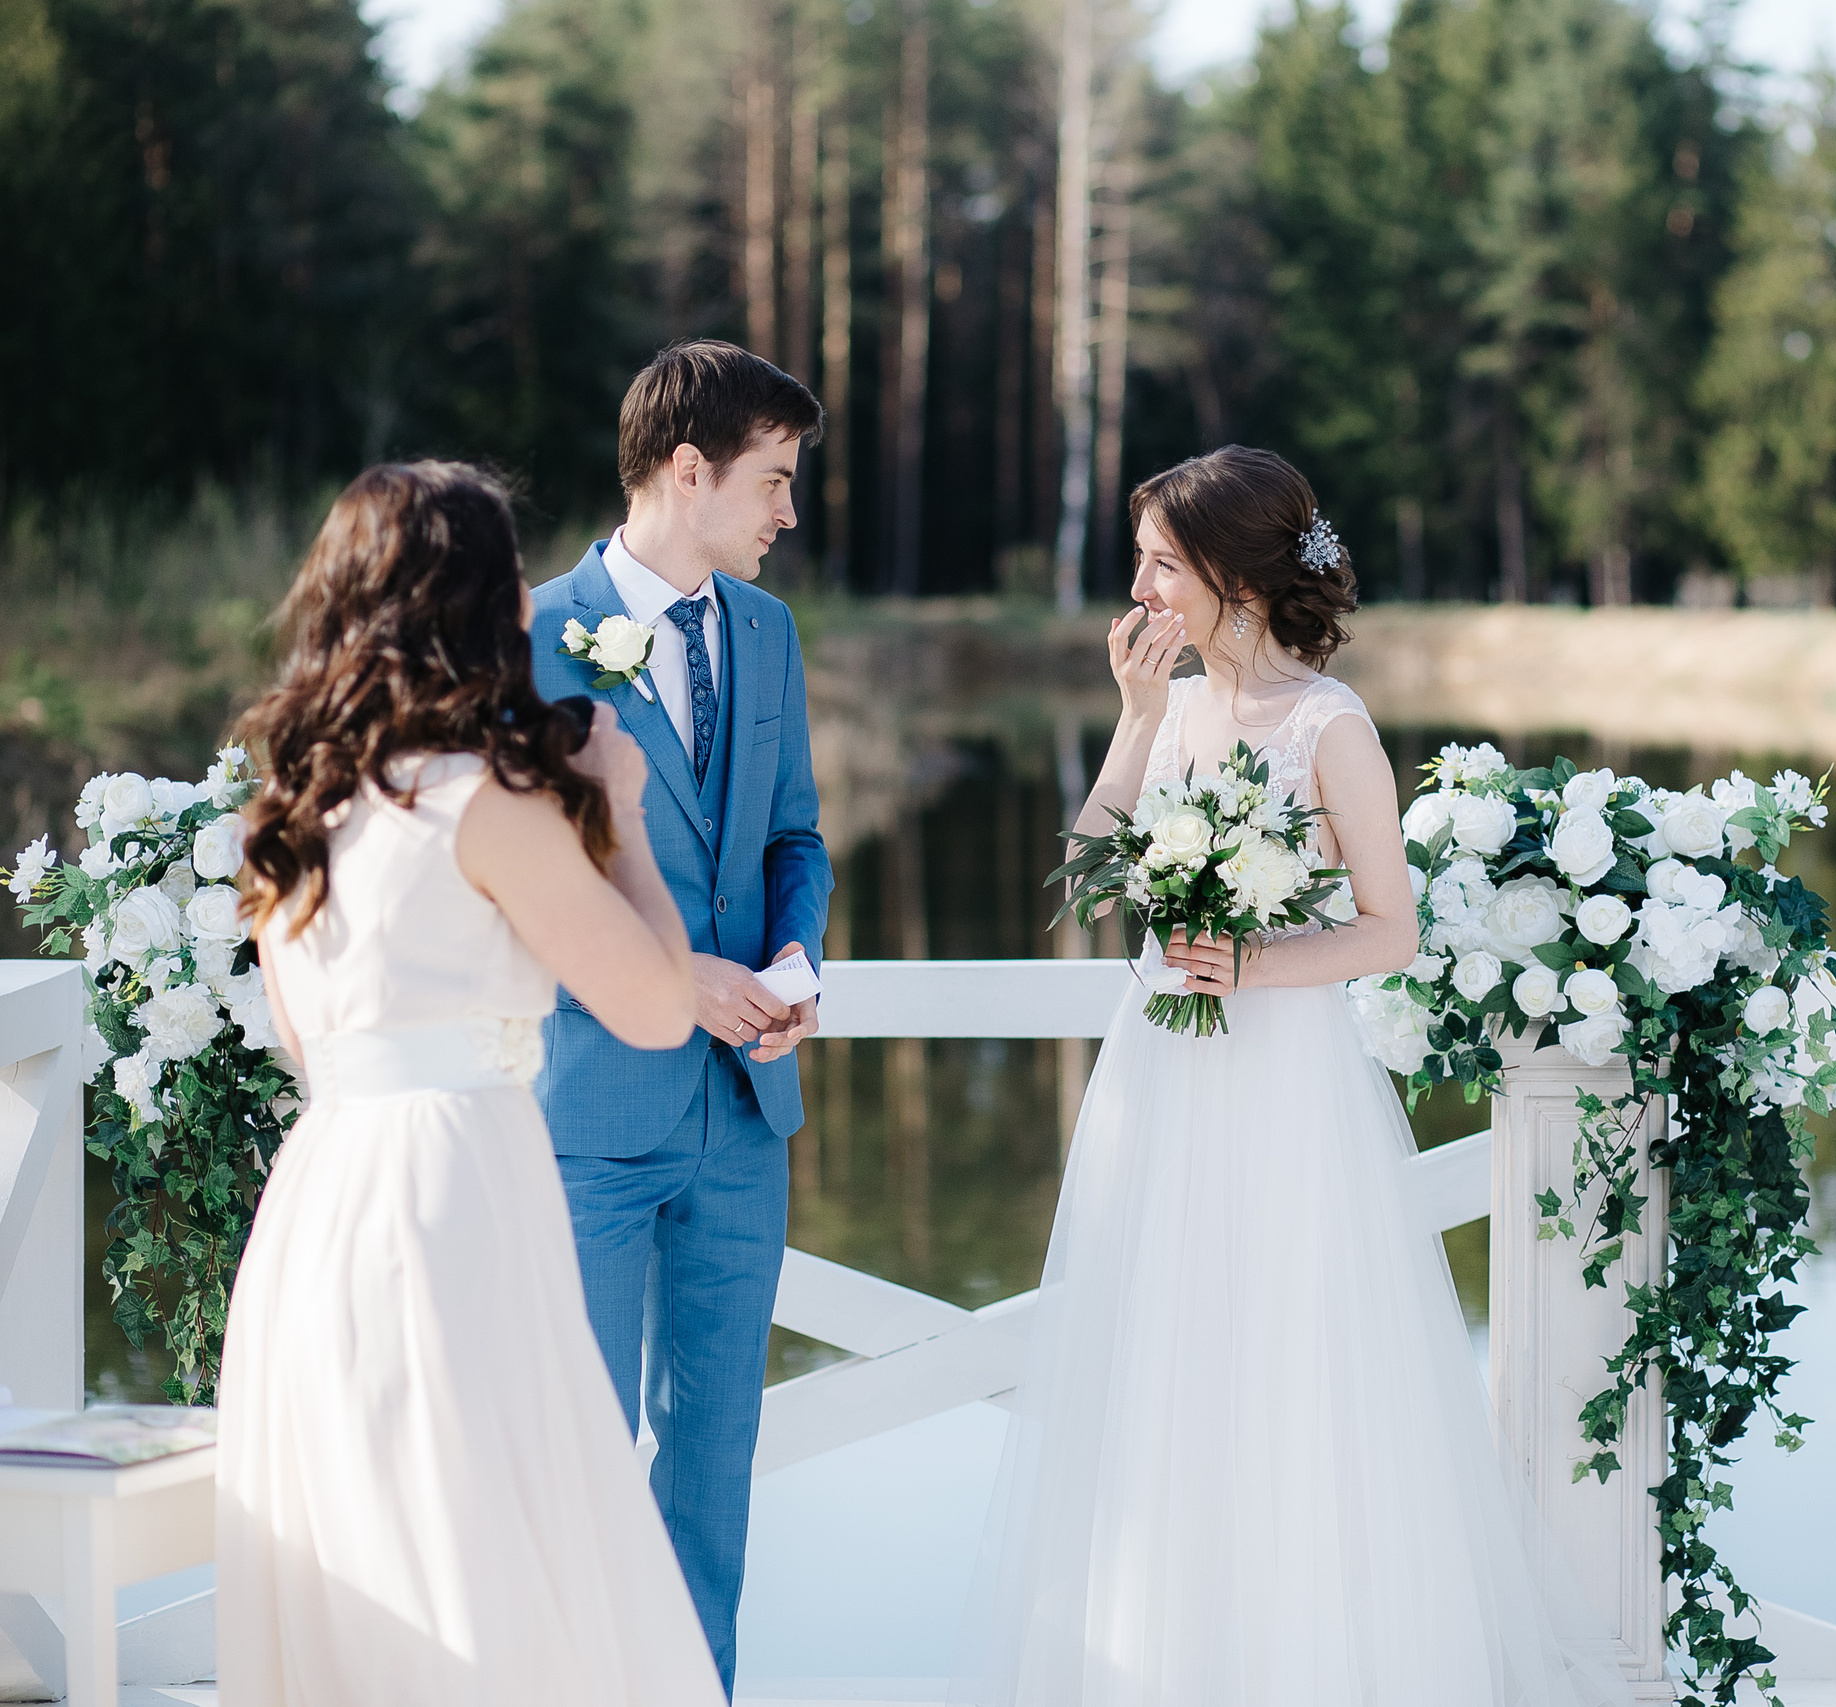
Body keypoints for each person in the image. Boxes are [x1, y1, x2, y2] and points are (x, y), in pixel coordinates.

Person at [954, 446, 1631, 1706]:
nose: (1141, 589)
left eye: (1162, 564)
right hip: (1159, 1079)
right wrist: (1137, 719)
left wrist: (1250, 966)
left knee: (1290, 1364)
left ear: (1235, 579)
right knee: (1161, 1365)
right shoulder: (1176, 710)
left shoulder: (1331, 725)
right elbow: (1090, 872)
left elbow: (1391, 929)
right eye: (1143, 563)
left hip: (1282, 1091)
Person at [220, 461, 724, 1706]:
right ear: (483, 607)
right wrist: (624, 814)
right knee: (486, 1527)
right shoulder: (484, 803)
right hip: (448, 1198)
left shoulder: (293, 811)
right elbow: (660, 1009)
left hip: (320, 1199)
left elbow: (302, 1042)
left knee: (370, 1536)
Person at [527, 339, 833, 1693]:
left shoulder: (769, 635)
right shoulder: (528, 633)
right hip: (587, 1109)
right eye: (772, 481)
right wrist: (668, 982)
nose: (787, 511)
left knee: (714, 1467)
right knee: (573, 1451)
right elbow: (512, 887)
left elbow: (795, 836)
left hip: (742, 1118)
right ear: (687, 469)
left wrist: (795, 954)